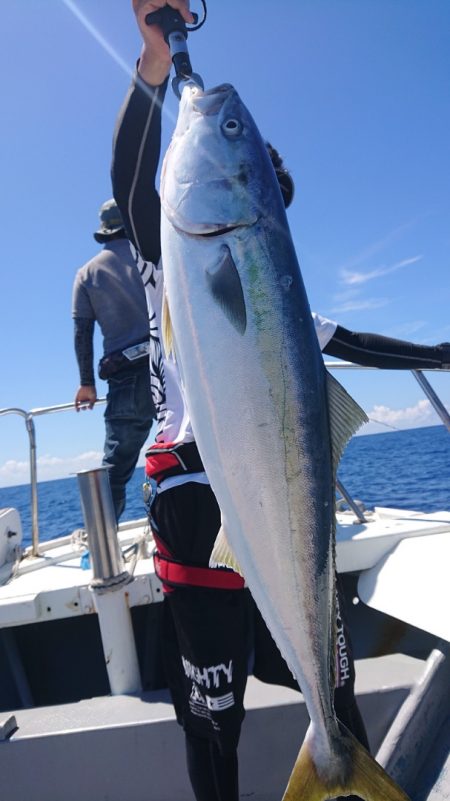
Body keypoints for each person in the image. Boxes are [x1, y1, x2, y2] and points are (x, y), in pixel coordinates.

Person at [111, 3, 450, 798]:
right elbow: (130, 181)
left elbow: (358, 343)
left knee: (334, 691)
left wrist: (441, 353)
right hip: (195, 501)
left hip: (281, 500)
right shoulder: (169, 259)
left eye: (246, 148)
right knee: (213, 716)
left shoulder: (286, 306)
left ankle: (339, 761)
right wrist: (152, 66)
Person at [72, 198, 156, 521]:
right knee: (196, 452)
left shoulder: (87, 274)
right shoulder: (152, 257)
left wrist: (87, 384)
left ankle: (103, 542)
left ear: (104, 230)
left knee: (115, 473)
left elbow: (82, 333)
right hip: (172, 369)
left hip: (126, 381)